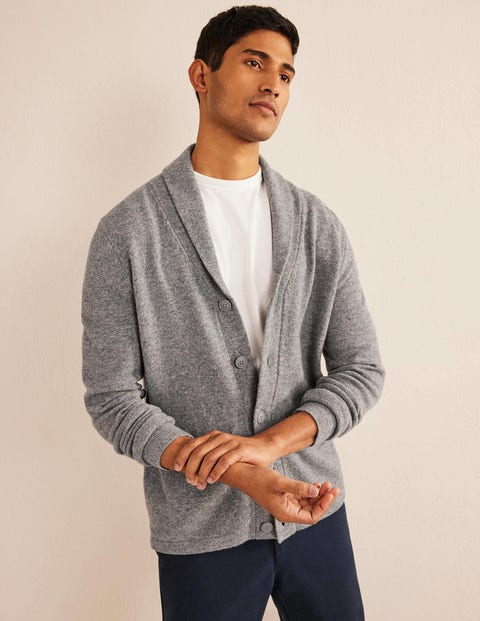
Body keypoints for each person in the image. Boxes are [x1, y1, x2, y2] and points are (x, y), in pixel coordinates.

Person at [81, 5, 385, 620]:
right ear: (202, 75)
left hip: (314, 508)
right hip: (200, 530)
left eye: (286, 73)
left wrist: (268, 447)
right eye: (253, 62)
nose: (273, 83)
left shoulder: (315, 223)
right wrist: (239, 472)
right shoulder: (128, 232)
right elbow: (111, 399)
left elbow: (361, 369)